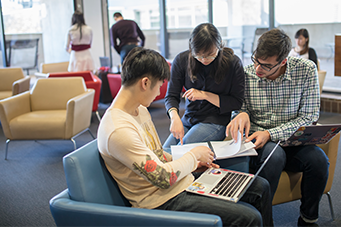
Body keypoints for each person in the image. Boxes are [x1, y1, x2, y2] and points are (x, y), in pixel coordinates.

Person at [97, 47, 273, 227]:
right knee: (250, 218)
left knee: (260, 187)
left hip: (180, 184)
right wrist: (193, 156)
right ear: (145, 83)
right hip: (161, 201)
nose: (159, 92)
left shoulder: (139, 109)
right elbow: (163, 178)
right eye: (159, 85)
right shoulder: (118, 129)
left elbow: (157, 154)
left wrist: (194, 165)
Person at [226, 28, 328, 226]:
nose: (257, 69)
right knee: (274, 156)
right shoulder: (246, 74)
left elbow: (309, 116)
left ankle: (308, 218)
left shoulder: (306, 70)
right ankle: (263, 221)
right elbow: (236, 110)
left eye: (266, 65)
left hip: (294, 139)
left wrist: (270, 133)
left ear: (283, 62)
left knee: (318, 160)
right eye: (256, 60)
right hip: (260, 142)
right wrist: (241, 113)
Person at [163, 23, 245, 150]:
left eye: (210, 54)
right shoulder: (181, 60)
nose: (204, 59)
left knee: (180, 151)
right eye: (199, 55)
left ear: (219, 45)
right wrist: (174, 117)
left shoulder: (233, 63)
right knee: (163, 153)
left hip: (216, 121)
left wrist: (205, 95)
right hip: (189, 118)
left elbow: (236, 102)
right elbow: (171, 96)